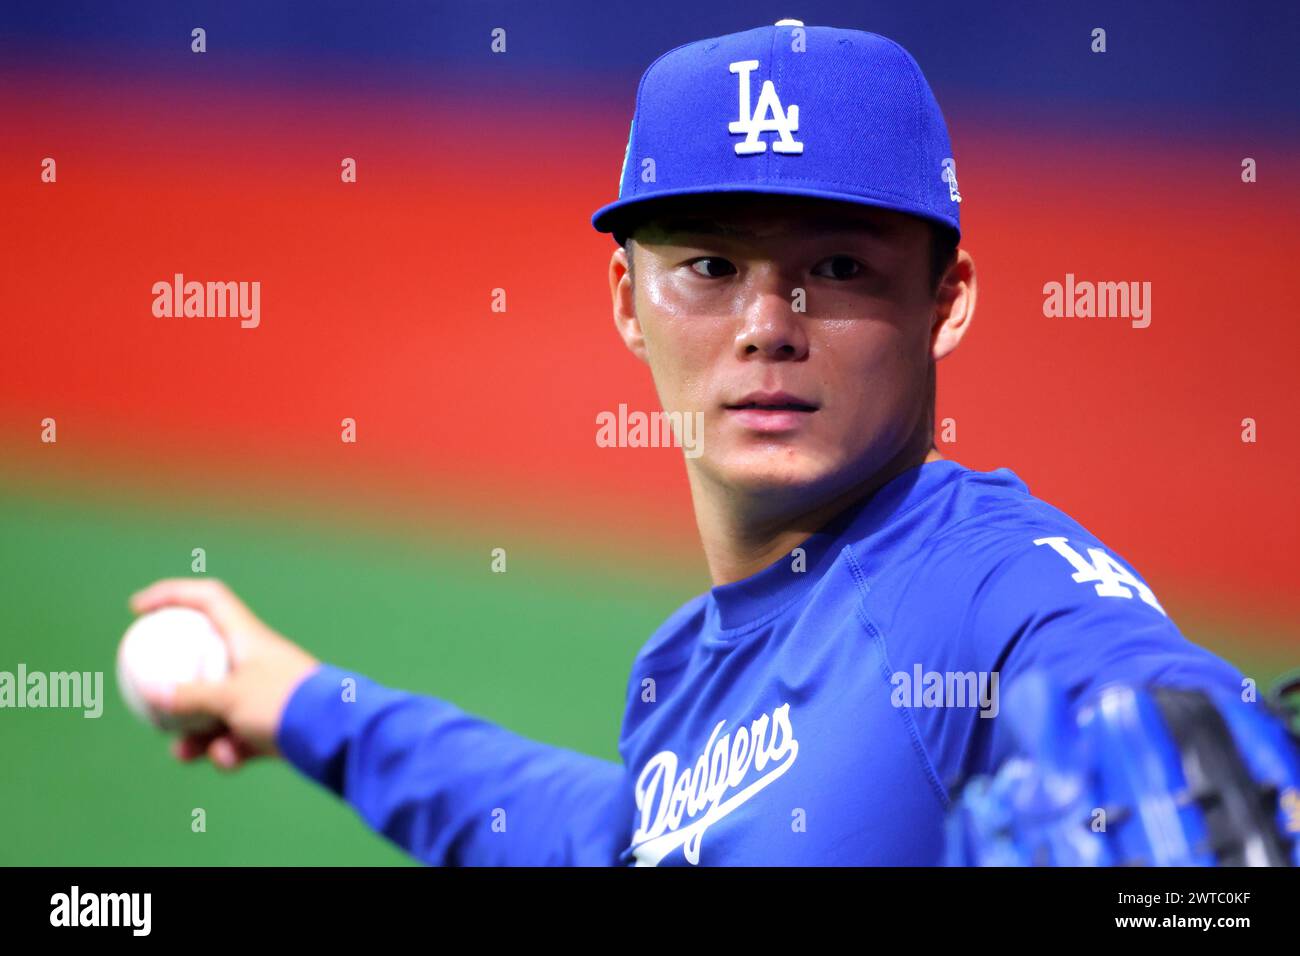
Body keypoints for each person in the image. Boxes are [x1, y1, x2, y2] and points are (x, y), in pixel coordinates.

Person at [130, 21, 1248, 866]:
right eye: (709, 267)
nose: (768, 325)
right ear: (627, 300)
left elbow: (1161, 717)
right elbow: (600, 834)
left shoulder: (984, 584)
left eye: (839, 267)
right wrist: (310, 703)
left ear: (944, 300)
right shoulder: (680, 677)